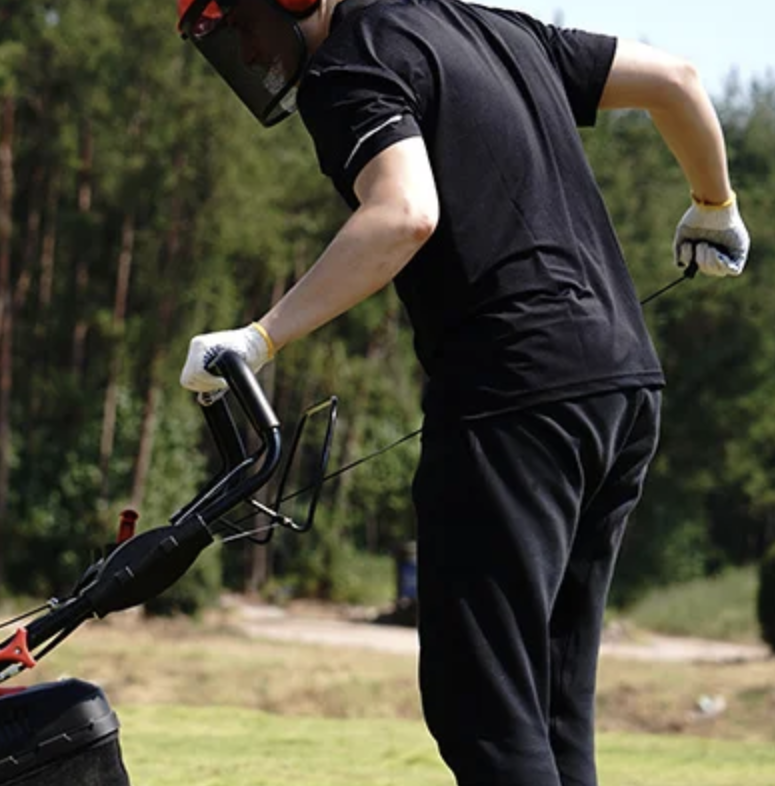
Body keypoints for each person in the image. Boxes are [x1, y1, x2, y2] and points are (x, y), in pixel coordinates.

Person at [174, 1, 750, 784]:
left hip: (514, 394)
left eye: (241, 19)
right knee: (549, 709)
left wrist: (262, 336)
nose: (244, 46)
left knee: (484, 711)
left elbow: (404, 212)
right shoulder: (502, 31)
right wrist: (714, 207)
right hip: (622, 390)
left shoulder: (349, 65)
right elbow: (677, 80)